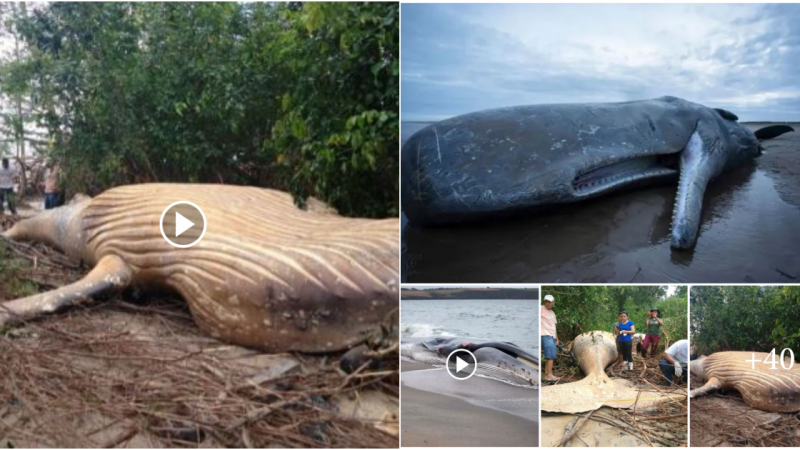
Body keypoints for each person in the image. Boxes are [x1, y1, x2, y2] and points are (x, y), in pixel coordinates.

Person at [541, 295, 559, 381]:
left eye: (549, 302)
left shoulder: (552, 313)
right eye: (546, 301)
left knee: (549, 355)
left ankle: (546, 374)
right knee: (551, 356)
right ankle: (550, 375)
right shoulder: (540, 309)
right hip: (545, 334)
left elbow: (554, 326)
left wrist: (557, 338)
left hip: (552, 336)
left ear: (553, 303)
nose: (547, 303)